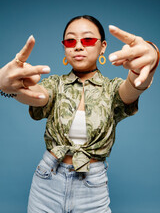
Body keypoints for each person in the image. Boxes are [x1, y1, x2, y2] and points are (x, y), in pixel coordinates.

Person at [0, 15, 159, 213]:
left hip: (92, 185)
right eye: (70, 40)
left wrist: (150, 61)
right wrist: (9, 87)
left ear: (103, 46)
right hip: (47, 180)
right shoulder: (55, 84)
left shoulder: (112, 89)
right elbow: (36, 96)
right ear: (64, 47)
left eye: (88, 40)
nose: (78, 46)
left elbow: (134, 87)